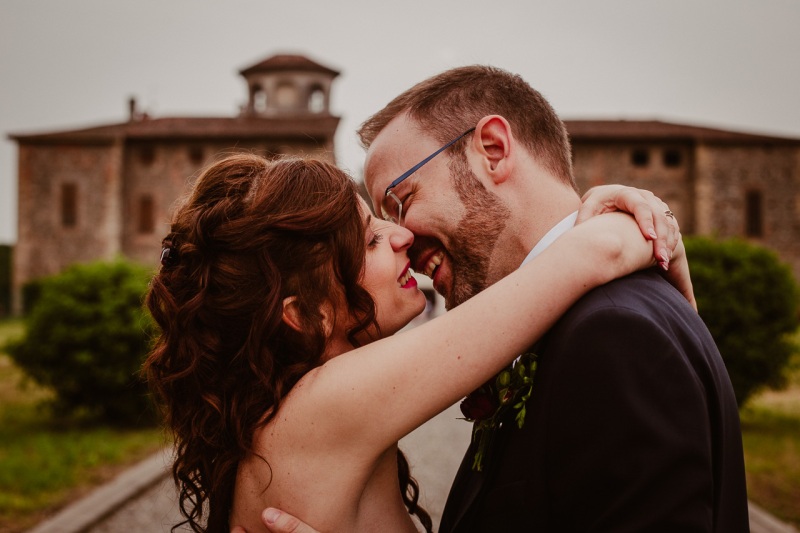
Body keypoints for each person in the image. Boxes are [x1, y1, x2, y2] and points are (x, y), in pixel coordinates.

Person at [245, 65, 749, 532]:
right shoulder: (585, 315)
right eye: (376, 232)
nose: (401, 239)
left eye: (401, 202)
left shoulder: (614, 335)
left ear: (492, 148)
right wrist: (636, 234)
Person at [145, 153, 682, 532]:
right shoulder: (325, 404)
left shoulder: (294, 411)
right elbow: (599, 255)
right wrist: (641, 218)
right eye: (372, 239)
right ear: (306, 315)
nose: (402, 235)